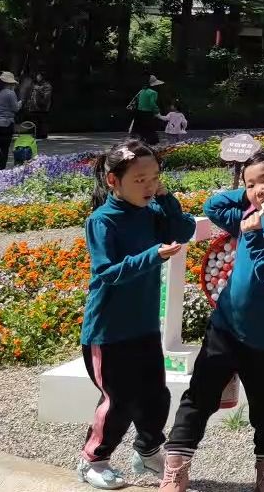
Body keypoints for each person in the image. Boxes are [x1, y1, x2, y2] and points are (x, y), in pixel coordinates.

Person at [159, 148, 264, 492]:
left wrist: (257, 237)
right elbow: (213, 206)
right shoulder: (247, 215)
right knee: (198, 397)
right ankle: (176, 471)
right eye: (250, 183)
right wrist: (247, 195)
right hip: (225, 328)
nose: (259, 189)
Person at [77, 139, 195, 490]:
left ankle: (146, 452)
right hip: (109, 330)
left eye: (154, 177)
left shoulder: (152, 211)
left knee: (155, 396)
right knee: (119, 401)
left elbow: (184, 229)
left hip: (143, 327)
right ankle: (92, 459)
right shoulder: (101, 222)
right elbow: (106, 273)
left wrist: (166, 198)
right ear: (113, 181)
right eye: (140, 179)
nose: (149, 185)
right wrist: (153, 257)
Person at [0, 71, 22, 170]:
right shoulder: (10, 93)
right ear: (9, 83)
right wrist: (20, 103)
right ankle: (1, 171)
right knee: (4, 150)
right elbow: (15, 108)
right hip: (6, 125)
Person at [128, 75, 164, 146]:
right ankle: (152, 147)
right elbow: (152, 103)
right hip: (147, 114)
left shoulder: (142, 91)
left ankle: (138, 145)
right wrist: (157, 111)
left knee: (139, 131)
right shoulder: (153, 93)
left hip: (139, 113)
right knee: (150, 131)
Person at [27, 72, 53, 139]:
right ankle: (36, 134)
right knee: (35, 122)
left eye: (39, 76)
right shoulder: (35, 85)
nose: (37, 77)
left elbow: (46, 98)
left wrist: (38, 89)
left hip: (42, 108)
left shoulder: (47, 86)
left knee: (42, 122)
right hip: (33, 108)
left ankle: (43, 135)